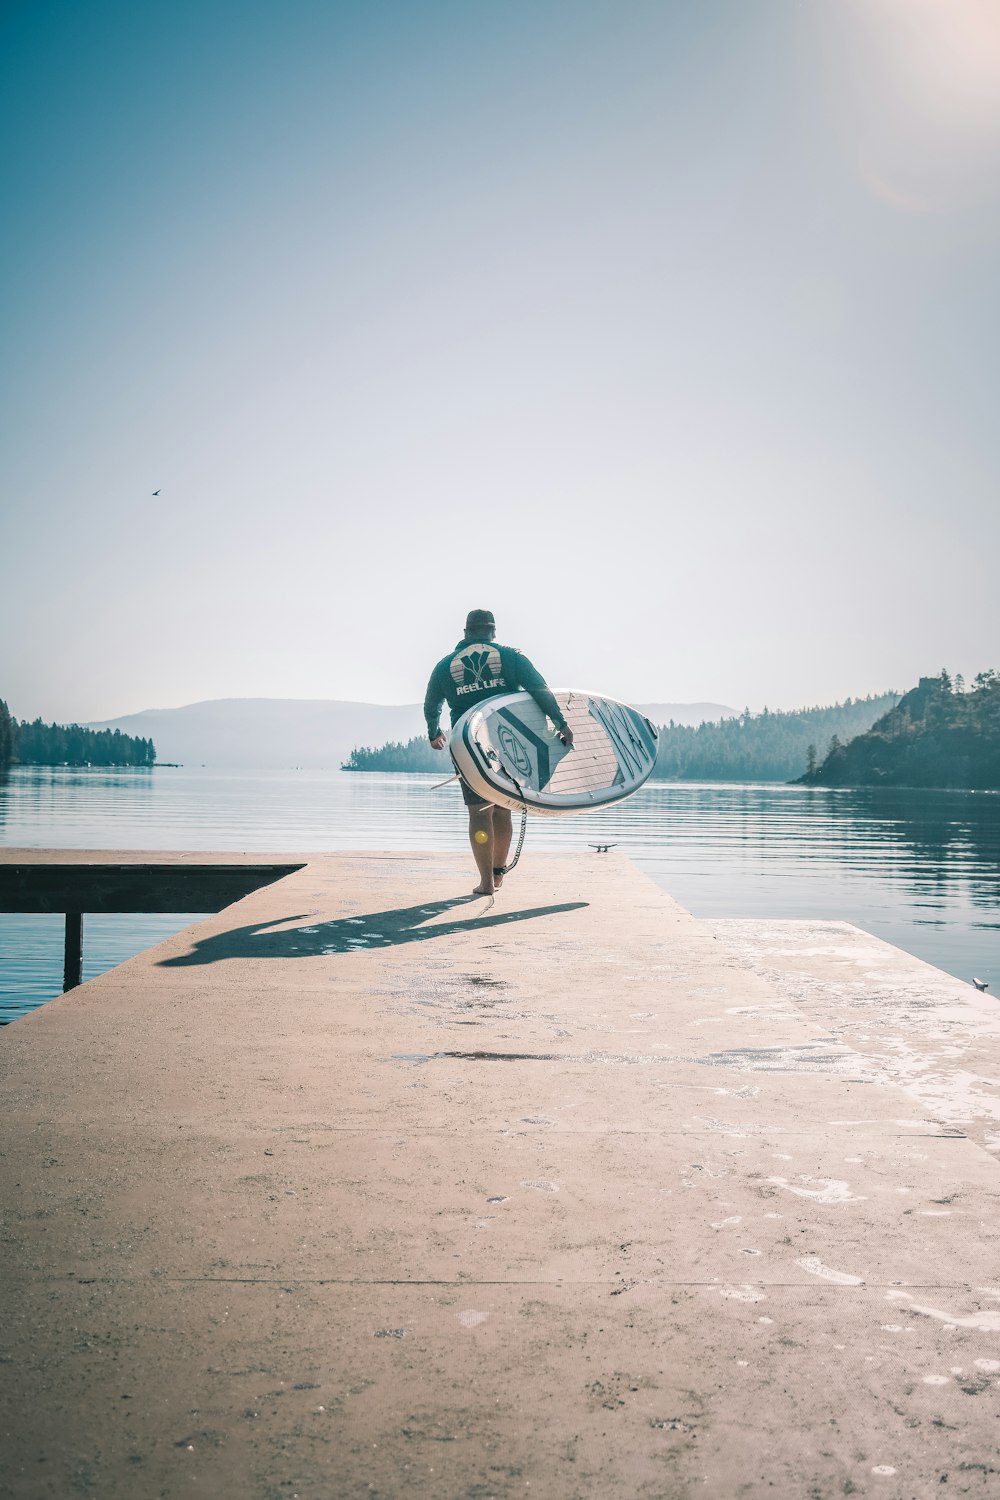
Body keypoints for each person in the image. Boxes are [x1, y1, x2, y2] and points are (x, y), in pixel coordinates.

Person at [424, 609, 574, 896]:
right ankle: (497, 873)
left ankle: (486, 883)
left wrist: (434, 731)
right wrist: (560, 723)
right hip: (509, 742)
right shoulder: (511, 657)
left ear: (465, 632)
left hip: (468, 745)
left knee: (479, 811)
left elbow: (432, 702)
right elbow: (539, 690)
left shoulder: (445, 666)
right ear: (493, 632)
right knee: (503, 808)